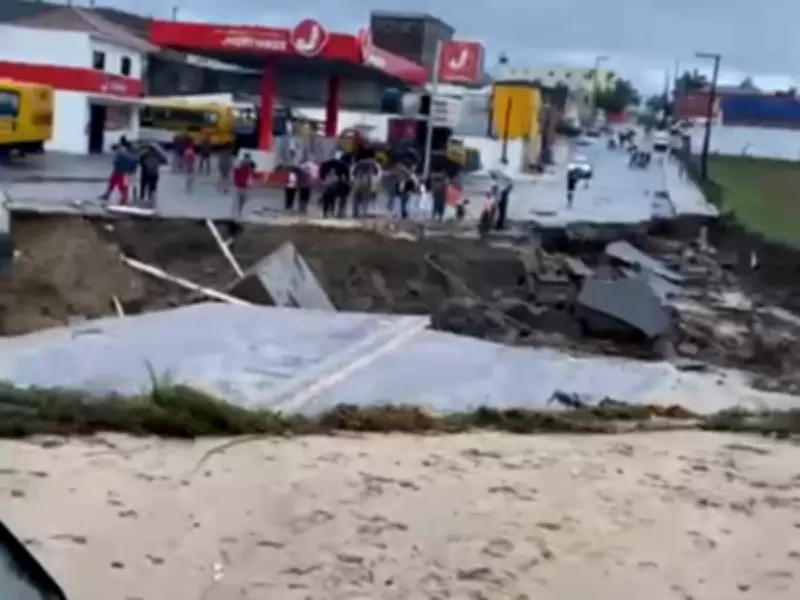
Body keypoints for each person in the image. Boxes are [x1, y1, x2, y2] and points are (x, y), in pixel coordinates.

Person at [100, 139, 137, 205]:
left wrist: (115, 163)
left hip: (119, 171)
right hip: (123, 171)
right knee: (119, 185)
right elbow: (133, 165)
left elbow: (116, 161)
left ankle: (122, 200)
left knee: (119, 185)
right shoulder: (130, 154)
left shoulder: (120, 152)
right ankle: (117, 198)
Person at [232, 153, 255, 221]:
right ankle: (237, 212)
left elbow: (249, 176)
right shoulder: (241, 168)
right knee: (240, 199)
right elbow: (237, 175)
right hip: (240, 186)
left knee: (242, 199)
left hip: (242, 185)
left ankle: (238, 211)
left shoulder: (247, 168)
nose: (247, 162)